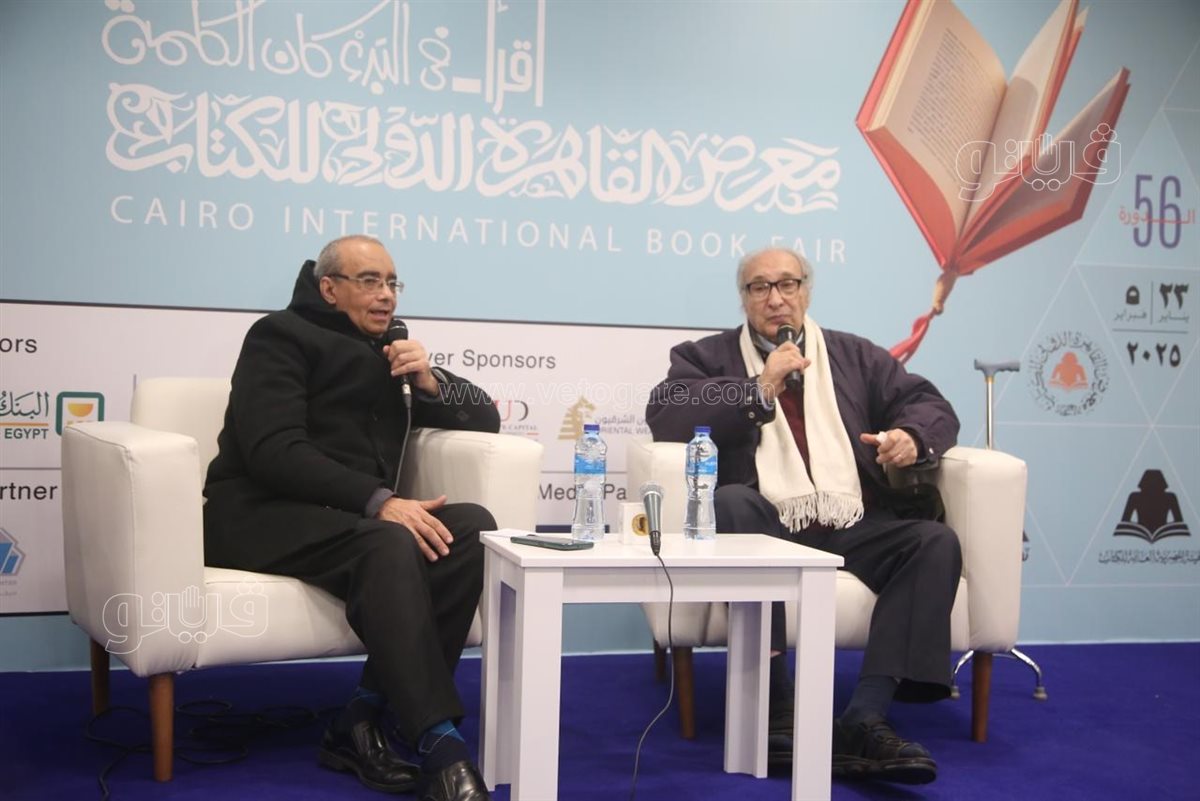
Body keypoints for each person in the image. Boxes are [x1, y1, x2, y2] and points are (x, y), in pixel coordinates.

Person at [646, 247, 961, 785]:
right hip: (765, 523)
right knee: (732, 502)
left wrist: (911, 437)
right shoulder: (705, 356)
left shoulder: (854, 356)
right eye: (760, 287)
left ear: (806, 292)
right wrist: (758, 387)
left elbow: (930, 405)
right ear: (744, 298)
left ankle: (866, 717)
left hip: (851, 522)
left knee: (934, 541)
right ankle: (777, 708)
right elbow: (668, 413)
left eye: (787, 284)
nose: (775, 299)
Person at [203, 235, 498, 801]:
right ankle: (441, 745)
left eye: (392, 283)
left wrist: (431, 382)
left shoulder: (391, 350)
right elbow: (273, 450)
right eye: (369, 281)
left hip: (348, 520)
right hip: (258, 515)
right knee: (387, 541)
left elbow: (487, 419)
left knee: (468, 529)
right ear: (329, 288)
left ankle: (359, 719)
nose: (386, 295)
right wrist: (379, 500)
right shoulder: (278, 336)